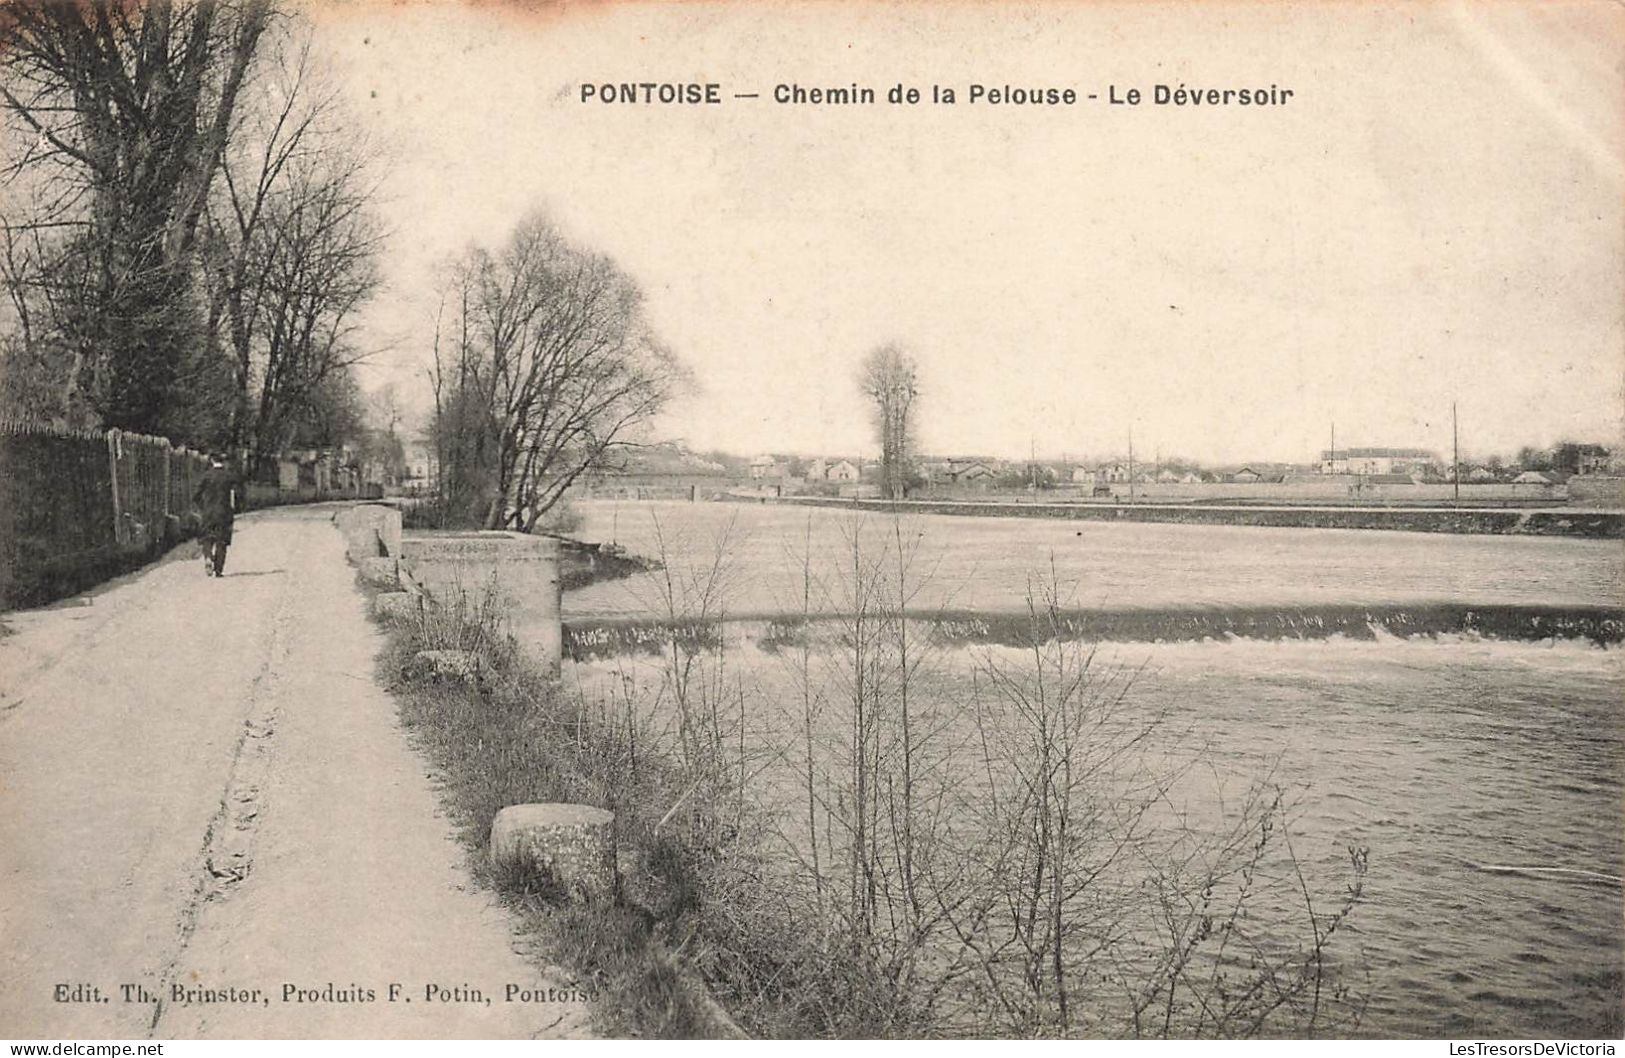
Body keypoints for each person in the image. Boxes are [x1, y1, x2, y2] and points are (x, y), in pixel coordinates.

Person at [193, 455, 238, 577]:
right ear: (223, 462)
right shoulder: (229, 477)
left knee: (207, 538)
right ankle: (218, 570)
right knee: (221, 541)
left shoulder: (206, 476)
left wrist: (203, 507)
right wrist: (233, 510)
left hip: (208, 513)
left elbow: (196, 495)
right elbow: (237, 497)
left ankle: (208, 557)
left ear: (212, 461)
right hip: (224, 513)